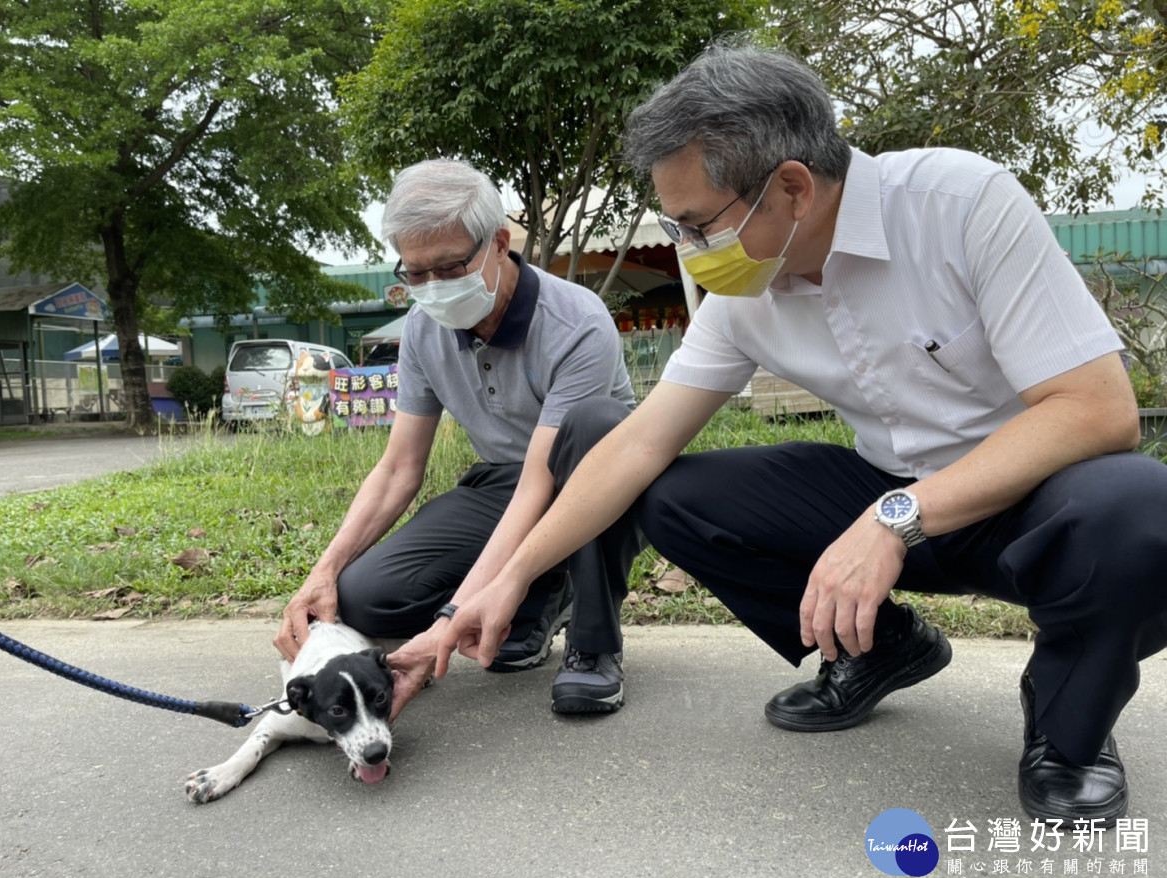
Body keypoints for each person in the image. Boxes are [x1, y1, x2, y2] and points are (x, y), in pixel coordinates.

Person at [434, 42, 1167, 825]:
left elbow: (1096, 409)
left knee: (1139, 505)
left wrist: (896, 520)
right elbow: (638, 443)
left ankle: (1068, 726)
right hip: (886, 488)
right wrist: (505, 582)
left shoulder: (960, 205)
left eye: (695, 224)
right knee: (674, 495)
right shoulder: (748, 290)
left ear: (790, 187)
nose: (688, 248)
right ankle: (880, 647)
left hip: (1030, 499)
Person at [274, 159, 641, 718]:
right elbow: (399, 468)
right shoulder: (424, 330)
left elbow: (544, 481)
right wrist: (321, 573)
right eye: (415, 273)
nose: (432, 288)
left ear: (498, 242)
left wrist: (450, 618)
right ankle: (541, 593)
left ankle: (593, 642)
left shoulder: (576, 322)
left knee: (592, 426)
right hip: (503, 483)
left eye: (448, 268)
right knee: (363, 595)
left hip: (599, 482)